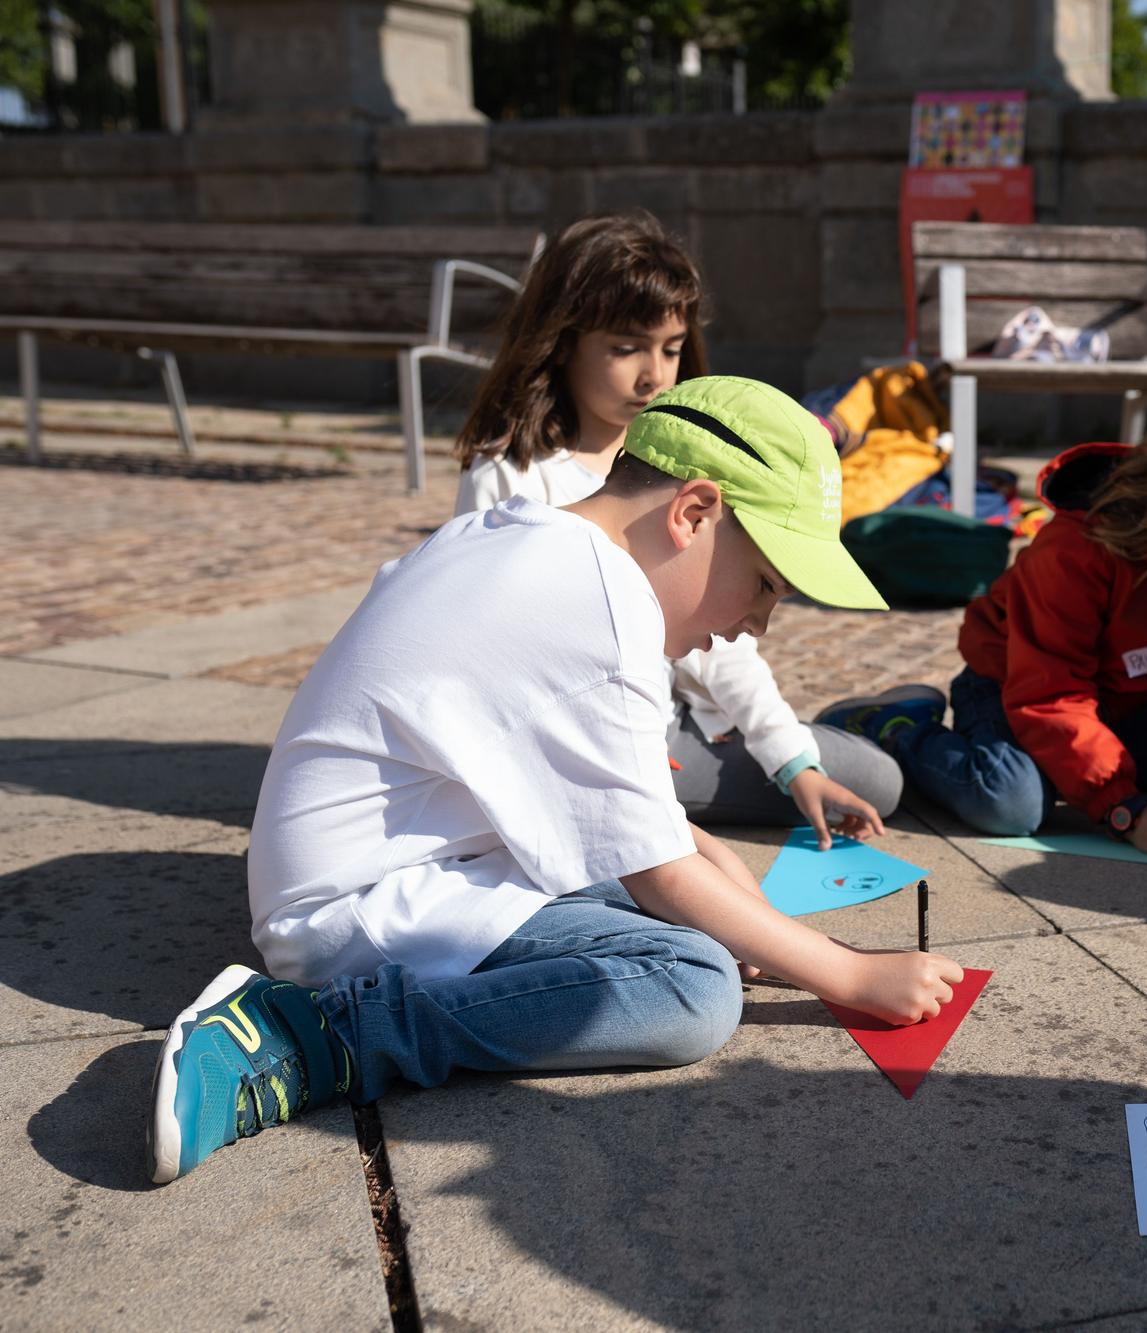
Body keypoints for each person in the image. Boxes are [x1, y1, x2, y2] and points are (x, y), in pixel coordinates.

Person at [150, 377, 965, 1185]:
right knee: (692, 987)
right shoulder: (606, 613)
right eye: (765, 586)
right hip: (346, 920)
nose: (753, 625)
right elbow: (660, 873)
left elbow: (640, 829)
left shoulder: (523, 535)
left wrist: (715, 869)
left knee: (710, 918)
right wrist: (847, 972)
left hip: (404, 870)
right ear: (694, 513)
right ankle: (317, 1036)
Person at [453, 211, 900, 847]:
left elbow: (728, 634)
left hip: (673, 717)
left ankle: (867, 726)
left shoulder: (682, 456)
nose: (655, 375)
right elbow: (490, 650)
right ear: (563, 338)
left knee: (871, 781)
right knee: (870, 777)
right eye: (625, 347)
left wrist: (792, 760)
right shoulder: (512, 473)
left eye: (670, 348)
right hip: (592, 741)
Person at [819, 401, 1147, 869]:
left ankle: (1084, 773)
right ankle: (897, 726)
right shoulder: (1076, 553)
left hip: (1124, 702)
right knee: (1012, 804)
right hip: (1010, 688)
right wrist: (1127, 811)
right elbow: (1050, 694)